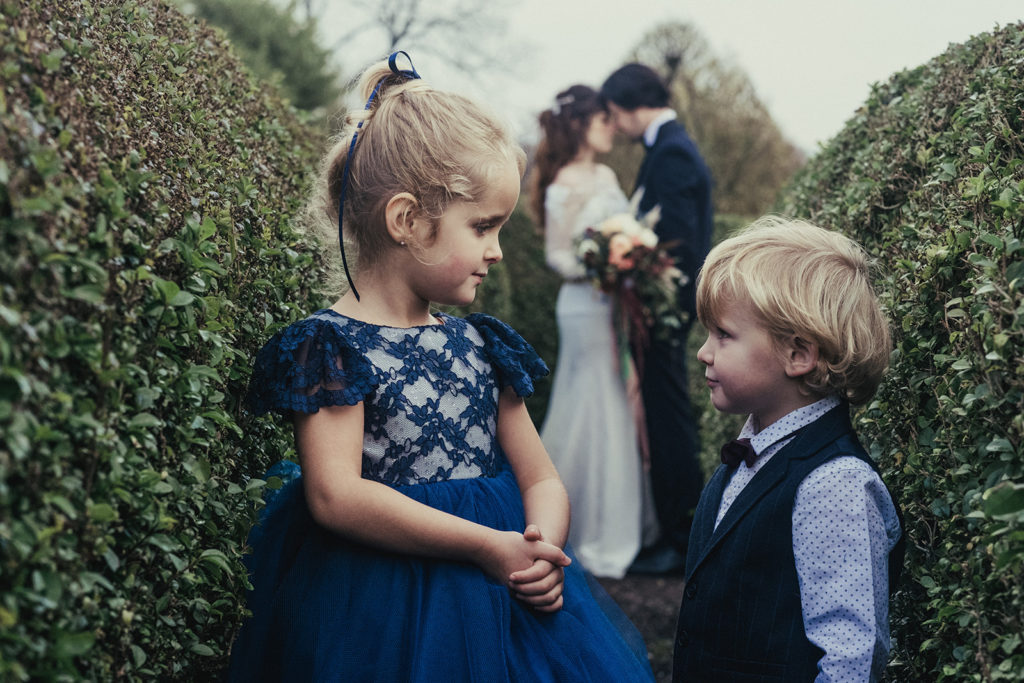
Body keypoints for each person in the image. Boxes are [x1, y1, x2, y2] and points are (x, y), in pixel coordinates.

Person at [226, 53, 654, 682]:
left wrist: (538, 548)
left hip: (504, 598)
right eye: (482, 226)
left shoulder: (482, 346)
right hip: (376, 608)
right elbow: (334, 495)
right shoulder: (330, 348)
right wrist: (487, 545)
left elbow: (542, 479)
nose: (498, 250)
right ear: (407, 221)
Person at [673, 216, 905, 681]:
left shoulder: (832, 483)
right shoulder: (755, 447)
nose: (704, 352)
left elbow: (850, 654)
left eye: (723, 334)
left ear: (798, 355)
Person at [529, 85, 658, 579]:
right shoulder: (562, 180)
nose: (609, 127)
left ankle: (622, 522)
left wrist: (632, 260)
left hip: (613, 304)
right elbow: (556, 255)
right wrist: (601, 264)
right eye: (601, 119)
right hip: (583, 304)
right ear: (581, 123)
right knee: (589, 398)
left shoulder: (606, 174)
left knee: (620, 399)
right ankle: (574, 522)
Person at [600, 63, 712, 573]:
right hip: (657, 308)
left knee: (669, 421)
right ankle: (676, 532)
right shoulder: (668, 148)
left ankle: (682, 538)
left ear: (627, 107)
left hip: (664, 311)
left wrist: (657, 301)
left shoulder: (670, 153)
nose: (614, 126)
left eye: (614, 114)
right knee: (665, 416)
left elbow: (680, 246)